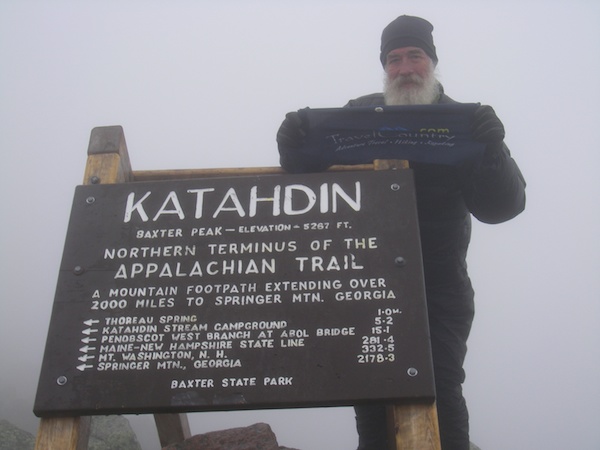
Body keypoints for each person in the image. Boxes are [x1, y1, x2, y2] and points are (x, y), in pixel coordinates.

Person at [276, 15, 526, 450]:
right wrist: (291, 142)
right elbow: (306, 178)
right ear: (384, 67)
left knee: (439, 392)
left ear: (432, 62)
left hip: (439, 289)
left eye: (414, 56)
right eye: (394, 59)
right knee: (372, 399)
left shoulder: (463, 124)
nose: (405, 68)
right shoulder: (357, 116)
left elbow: (502, 207)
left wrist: (490, 152)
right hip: (366, 286)